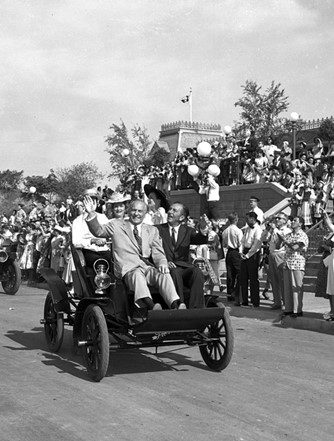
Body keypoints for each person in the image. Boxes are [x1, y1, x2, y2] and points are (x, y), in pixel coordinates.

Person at [83, 198, 180, 310]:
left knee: (163, 274)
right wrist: (91, 213)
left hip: (147, 268)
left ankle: (175, 305)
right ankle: (150, 306)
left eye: (140, 211)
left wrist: (163, 263)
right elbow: (98, 231)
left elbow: (158, 252)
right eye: (134, 210)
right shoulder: (116, 225)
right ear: (128, 211)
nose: (136, 214)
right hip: (128, 270)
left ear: (145, 213)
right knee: (137, 276)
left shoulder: (152, 230)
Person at [155, 202, 209, 308]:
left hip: (184, 266)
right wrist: (164, 262)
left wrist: (203, 228)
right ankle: (179, 304)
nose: (170, 212)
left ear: (182, 217)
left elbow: (200, 239)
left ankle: (196, 308)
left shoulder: (188, 231)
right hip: (166, 268)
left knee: (197, 272)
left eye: (174, 210)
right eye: (170, 209)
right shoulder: (157, 229)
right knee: (175, 272)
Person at [72, 191, 111, 269]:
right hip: (89, 252)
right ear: (84, 203)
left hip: (105, 250)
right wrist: (92, 241)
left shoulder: (103, 217)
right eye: (88, 200)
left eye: (93, 201)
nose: (91, 204)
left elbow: (110, 233)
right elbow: (76, 242)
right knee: (99, 263)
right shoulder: (77, 221)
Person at [280, 216, 309, 317]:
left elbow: (295, 247)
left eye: (295, 221)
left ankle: (297, 310)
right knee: (287, 287)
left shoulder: (302, 235)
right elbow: (279, 245)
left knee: (296, 287)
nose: (292, 222)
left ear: (300, 224)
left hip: (297, 263)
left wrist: (285, 241)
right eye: (292, 220)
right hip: (288, 262)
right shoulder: (288, 235)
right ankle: (288, 308)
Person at [267, 212, 291, 310]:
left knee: (282, 280)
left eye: (279, 218)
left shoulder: (286, 230)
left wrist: (274, 229)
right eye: (276, 218)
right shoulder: (274, 230)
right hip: (272, 254)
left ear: (285, 221)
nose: (277, 220)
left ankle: (286, 301)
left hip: (280, 254)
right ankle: (277, 301)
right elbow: (266, 239)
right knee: (274, 280)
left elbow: (279, 244)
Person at [239, 212, 263, 307]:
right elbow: (243, 241)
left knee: (253, 278)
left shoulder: (258, 229)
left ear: (253, 219)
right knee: (243, 277)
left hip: (253, 254)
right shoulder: (247, 229)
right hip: (245, 251)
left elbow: (257, 245)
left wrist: (248, 255)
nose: (246, 220)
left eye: (248, 219)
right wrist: (241, 251)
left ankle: (255, 301)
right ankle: (244, 300)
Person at [222, 212, 243, 304]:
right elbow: (241, 243)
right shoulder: (238, 231)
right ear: (236, 220)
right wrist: (241, 253)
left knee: (230, 274)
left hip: (229, 252)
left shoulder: (225, 231)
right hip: (236, 251)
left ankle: (230, 294)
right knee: (239, 273)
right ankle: (236, 291)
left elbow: (224, 244)